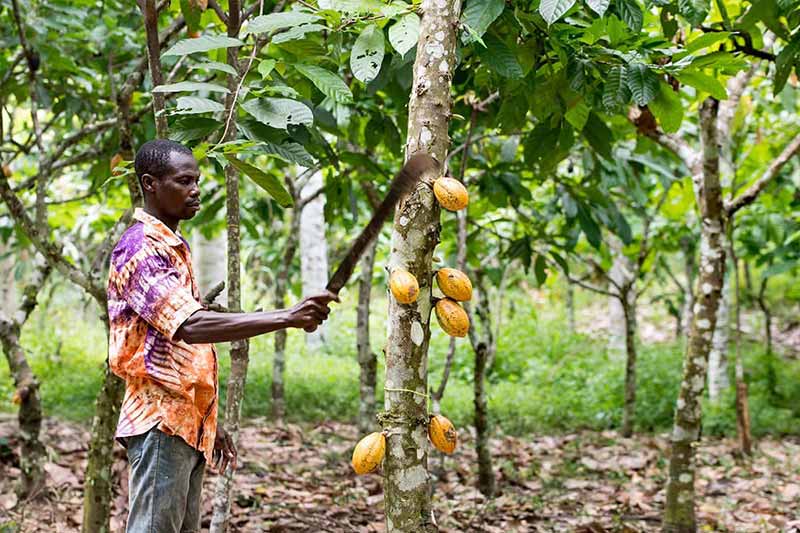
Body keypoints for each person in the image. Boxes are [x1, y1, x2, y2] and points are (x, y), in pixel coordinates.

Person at [107, 139, 338, 533]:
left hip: (184, 421)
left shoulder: (171, 247)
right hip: (160, 422)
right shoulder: (141, 249)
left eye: (196, 180)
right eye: (183, 181)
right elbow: (190, 326)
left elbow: (176, 350)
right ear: (150, 184)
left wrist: (208, 419)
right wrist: (287, 316)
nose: (195, 190)